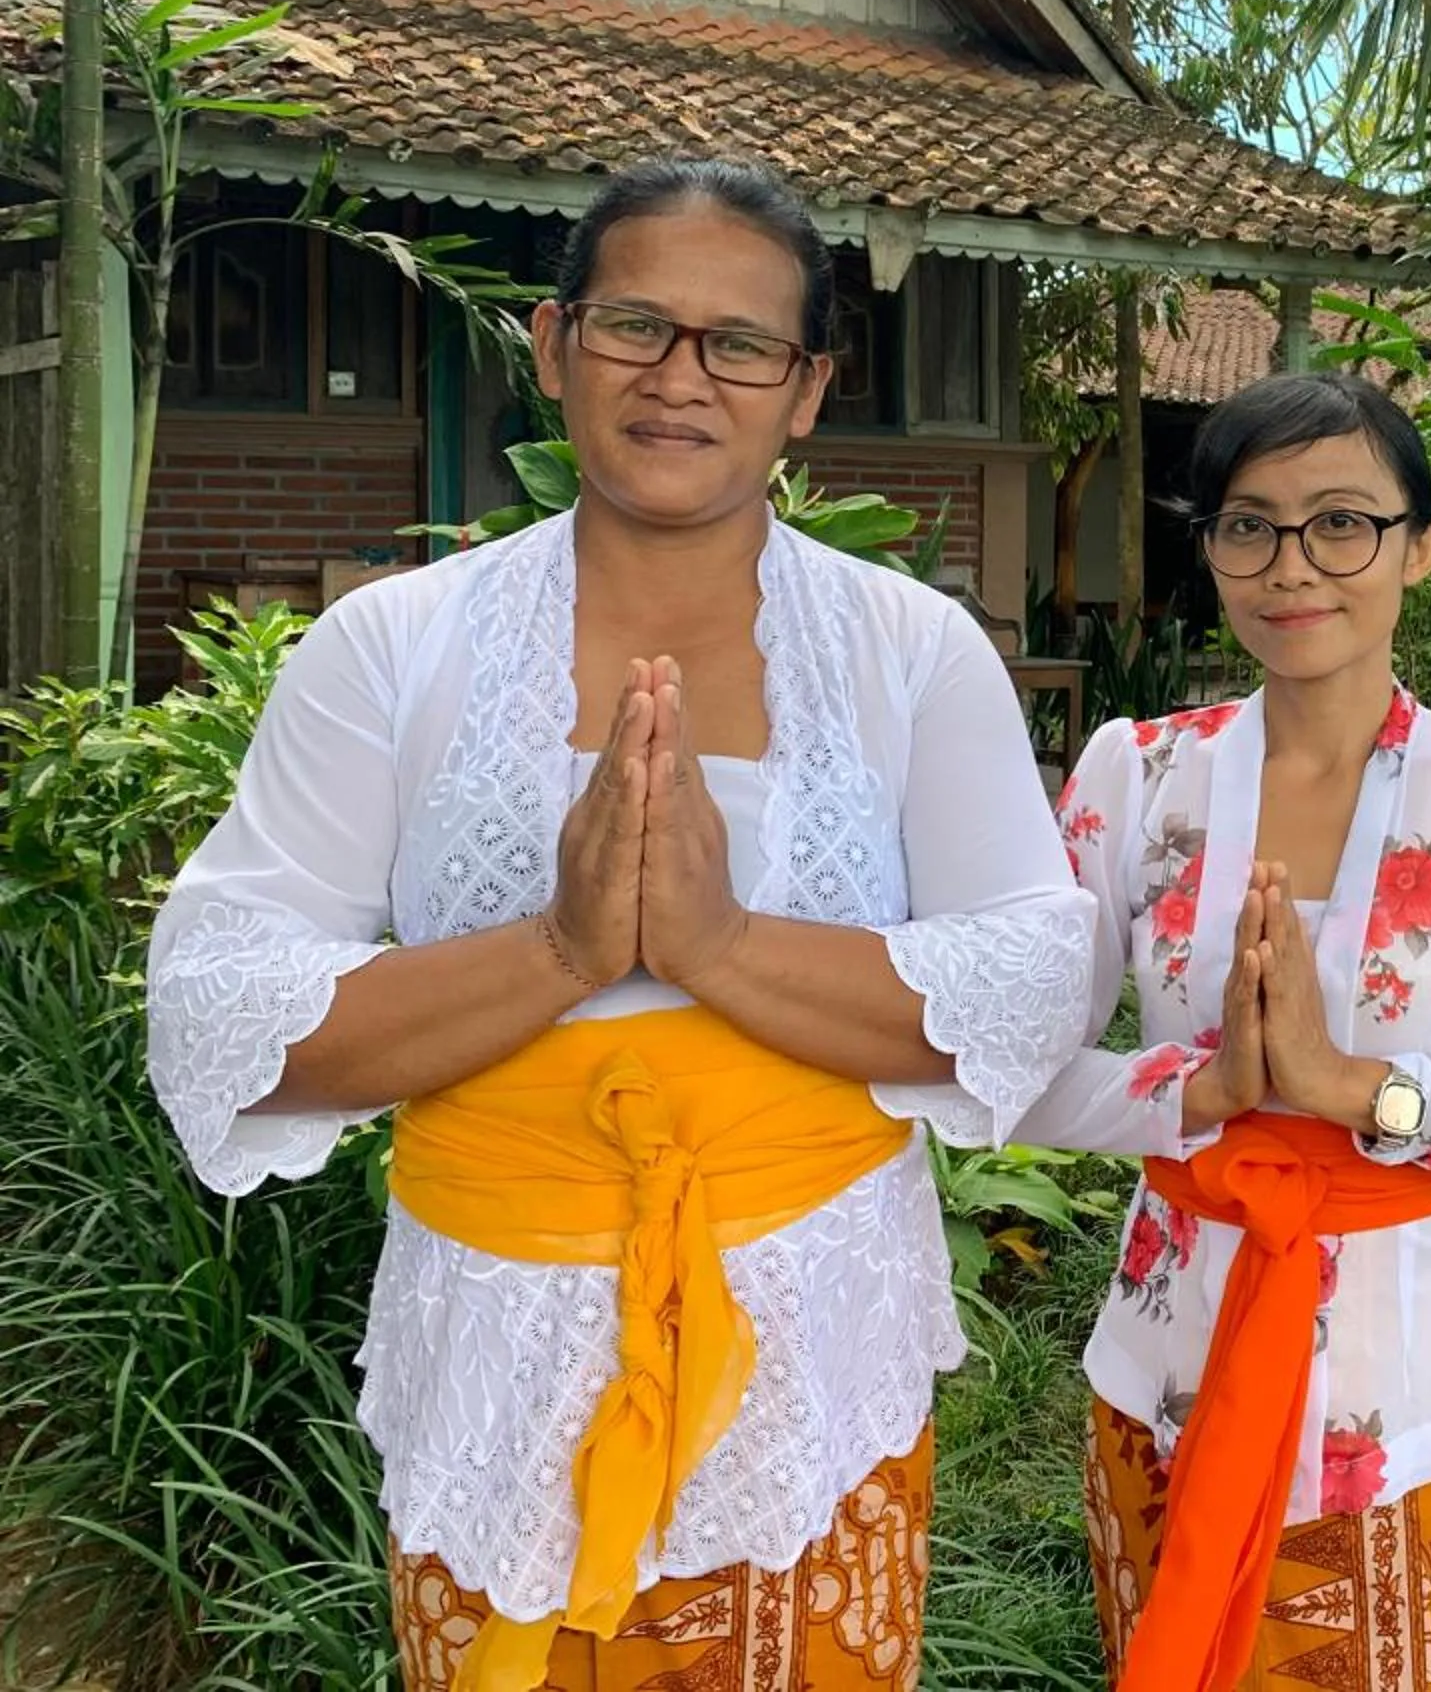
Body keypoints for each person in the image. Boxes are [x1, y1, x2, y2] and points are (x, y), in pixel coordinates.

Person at [143, 156, 1096, 1692]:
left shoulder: (909, 652)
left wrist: (719, 945)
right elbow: (217, 1011)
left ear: (807, 390)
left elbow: (1034, 976)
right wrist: (559, 952)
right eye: (636, 326)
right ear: (551, 342)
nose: (681, 377)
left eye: (741, 344)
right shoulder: (390, 648)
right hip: (496, 1352)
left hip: (815, 1356)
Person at [1020, 371, 1431, 1692]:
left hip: (1412, 1414)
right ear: (1208, 548)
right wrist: (1203, 1089)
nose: (1292, 565)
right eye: (1248, 524)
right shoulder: (1135, 779)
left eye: (1342, 522)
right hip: (1161, 1387)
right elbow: (1016, 1078)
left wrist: (1357, 1087)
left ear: (1423, 544)